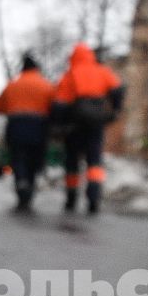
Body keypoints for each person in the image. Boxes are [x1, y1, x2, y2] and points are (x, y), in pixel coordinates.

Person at [51, 43, 124, 213]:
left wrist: (58, 124)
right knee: (94, 162)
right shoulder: (102, 71)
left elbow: (60, 104)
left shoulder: (70, 75)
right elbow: (118, 90)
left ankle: (71, 198)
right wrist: (115, 109)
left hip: (74, 123)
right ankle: (93, 198)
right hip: (95, 123)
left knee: (72, 162)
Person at [0, 53, 54, 211]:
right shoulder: (46, 85)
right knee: (34, 160)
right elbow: (55, 106)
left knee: (19, 158)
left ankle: (21, 183)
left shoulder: (13, 85)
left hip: (16, 126)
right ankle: (29, 187)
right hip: (39, 127)